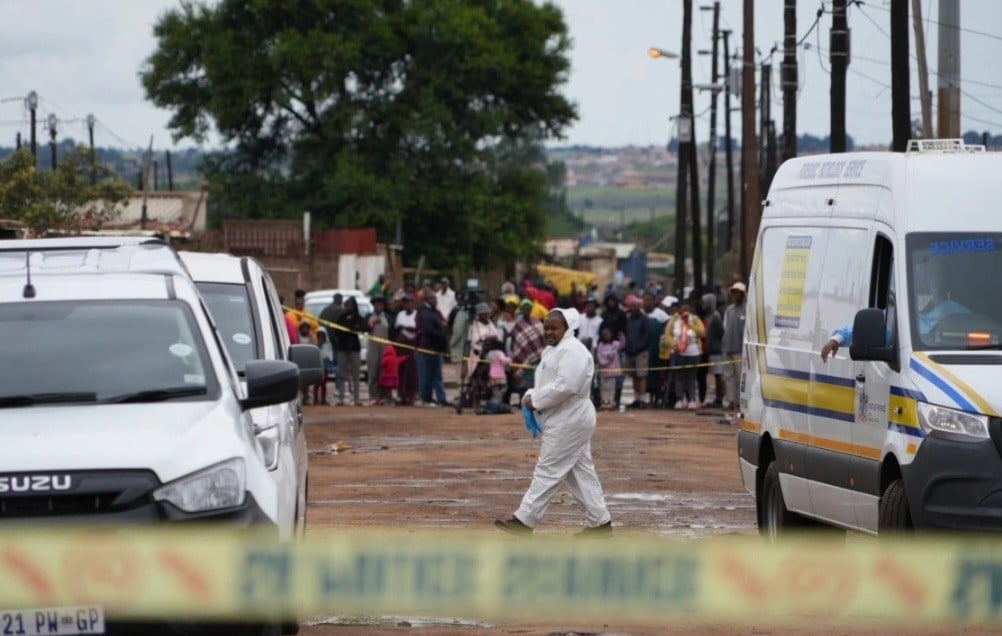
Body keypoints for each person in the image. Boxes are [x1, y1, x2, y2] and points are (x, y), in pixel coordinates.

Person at [495, 308, 613, 536]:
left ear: (567, 328)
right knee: (580, 473)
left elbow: (566, 386)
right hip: (563, 418)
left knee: (548, 470)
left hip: (570, 419)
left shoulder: (573, 351)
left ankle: (524, 521)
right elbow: (549, 382)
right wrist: (532, 394)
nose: (548, 331)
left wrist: (535, 399)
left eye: (553, 327)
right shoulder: (554, 350)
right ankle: (600, 525)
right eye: (546, 327)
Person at [662, 302, 705, 409]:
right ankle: (679, 399)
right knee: (679, 377)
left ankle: (692, 400)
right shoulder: (674, 320)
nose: (685, 311)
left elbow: (702, 332)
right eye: (683, 309)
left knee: (691, 377)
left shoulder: (694, 319)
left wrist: (690, 324)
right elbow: (667, 334)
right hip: (678, 353)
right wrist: (674, 344)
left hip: (693, 353)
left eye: (687, 309)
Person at [507, 299, 547, 405]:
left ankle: (538, 403)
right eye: (524, 308)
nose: (526, 310)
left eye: (528, 308)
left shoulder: (537, 322)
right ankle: (524, 403)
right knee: (526, 383)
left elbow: (543, 340)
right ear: (520, 310)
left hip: (540, 358)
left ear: (530, 309)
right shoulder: (517, 327)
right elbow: (515, 344)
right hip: (525, 360)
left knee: (540, 382)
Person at [417, 290, 449, 407]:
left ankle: (439, 398)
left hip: (437, 347)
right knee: (428, 374)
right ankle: (427, 399)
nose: (434, 301)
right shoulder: (425, 313)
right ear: (426, 300)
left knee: (436, 374)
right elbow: (428, 329)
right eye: (432, 299)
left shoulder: (434, 312)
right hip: (429, 347)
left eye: (435, 299)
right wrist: (441, 331)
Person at [333, 297, 368, 406]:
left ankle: (356, 398)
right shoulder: (341, 318)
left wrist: (352, 328)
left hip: (354, 348)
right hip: (343, 348)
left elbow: (363, 328)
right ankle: (341, 398)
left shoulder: (358, 318)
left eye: (349, 305)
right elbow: (336, 331)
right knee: (342, 374)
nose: (347, 307)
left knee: (356, 374)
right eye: (346, 305)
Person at [721, 281, 747, 410]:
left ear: (743, 295)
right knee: (728, 376)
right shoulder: (729, 310)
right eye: (734, 293)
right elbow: (725, 328)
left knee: (740, 376)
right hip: (728, 348)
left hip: (740, 350)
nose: (735, 296)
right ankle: (731, 400)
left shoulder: (747, 310)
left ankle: (740, 401)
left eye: (738, 293)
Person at [599, 293, 628, 408]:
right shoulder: (604, 314)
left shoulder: (621, 314)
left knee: (617, 378)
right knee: (604, 381)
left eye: (613, 301)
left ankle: (615, 399)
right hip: (604, 347)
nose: (611, 303)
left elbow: (624, 331)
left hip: (616, 346)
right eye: (609, 301)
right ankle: (603, 400)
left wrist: (622, 341)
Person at [698, 292, 725, 408]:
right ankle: (713, 398)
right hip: (708, 350)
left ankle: (719, 398)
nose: (703, 304)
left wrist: (716, 345)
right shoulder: (707, 316)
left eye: (704, 302)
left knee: (718, 374)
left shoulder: (716, 316)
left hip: (716, 350)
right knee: (712, 374)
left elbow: (721, 333)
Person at [624, 297, 651, 408]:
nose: (633, 308)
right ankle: (636, 398)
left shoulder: (645, 319)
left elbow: (647, 335)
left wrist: (639, 347)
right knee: (634, 376)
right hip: (630, 351)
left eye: (636, 306)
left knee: (641, 375)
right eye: (632, 306)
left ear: (639, 307)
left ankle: (642, 399)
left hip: (641, 351)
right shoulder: (629, 319)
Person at [392, 294, 420, 405]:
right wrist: (405, 328)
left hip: (413, 344)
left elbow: (416, 328)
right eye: (405, 303)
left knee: (412, 371)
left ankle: (412, 395)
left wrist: (406, 327)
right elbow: (398, 327)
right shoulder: (400, 314)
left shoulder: (417, 315)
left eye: (409, 302)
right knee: (402, 370)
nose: (407, 305)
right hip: (402, 345)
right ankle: (401, 394)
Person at [365, 295, 390, 405]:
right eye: (377, 305)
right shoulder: (369, 317)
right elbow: (365, 329)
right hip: (373, 348)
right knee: (373, 372)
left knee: (383, 373)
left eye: (381, 305)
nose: (379, 307)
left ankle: (383, 396)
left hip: (385, 349)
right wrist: (374, 322)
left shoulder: (387, 318)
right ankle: (373, 396)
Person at [595, 327, 621, 411]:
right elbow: (599, 356)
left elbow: (621, 345)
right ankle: (604, 401)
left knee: (611, 386)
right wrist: (604, 362)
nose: (606, 336)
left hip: (612, 370)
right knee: (603, 386)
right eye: (604, 335)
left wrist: (622, 336)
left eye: (608, 334)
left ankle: (610, 401)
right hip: (603, 370)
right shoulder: (600, 345)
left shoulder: (615, 344)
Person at [314, 329, 334, 406]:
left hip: (325, 365)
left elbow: (330, 353)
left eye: (322, 335)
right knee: (317, 384)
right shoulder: (316, 344)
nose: (321, 337)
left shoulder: (328, 344)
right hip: (317, 365)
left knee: (323, 383)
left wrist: (330, 362)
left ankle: (323, 399)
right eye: (319, 335)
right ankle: (315, 399)